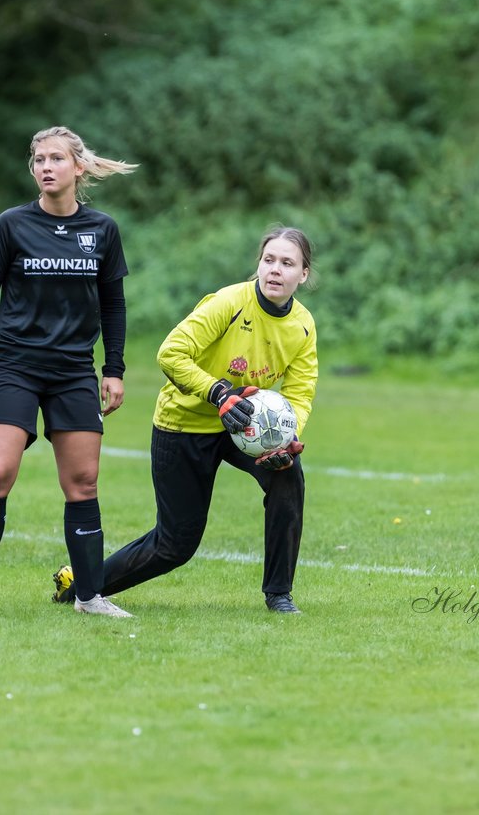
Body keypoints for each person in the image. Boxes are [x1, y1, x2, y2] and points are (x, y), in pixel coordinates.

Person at [52, 225, 318, 613]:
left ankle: (279, 593)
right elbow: (171, 353)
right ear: (259, 265)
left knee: (287, 475)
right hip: (184, 424)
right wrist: (218, 393)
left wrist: (288, 438)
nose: (275, 270)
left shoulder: (303, 325)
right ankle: (82, 582)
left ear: (303, 274)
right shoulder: (229, 303)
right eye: (269, 260)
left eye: (287, 263)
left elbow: (300, 391)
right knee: (175, 545)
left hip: (243, 429)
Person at [0, 125, 138, 618]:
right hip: (14, 365)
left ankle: (90, 596)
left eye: (55, 159)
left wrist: (113, 369)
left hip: (73, 370)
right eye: (38, 160)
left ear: (78, 168)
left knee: (83, 483)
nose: (45, 167)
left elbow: (113, 305)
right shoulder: (11, 224)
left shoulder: (103, 230)